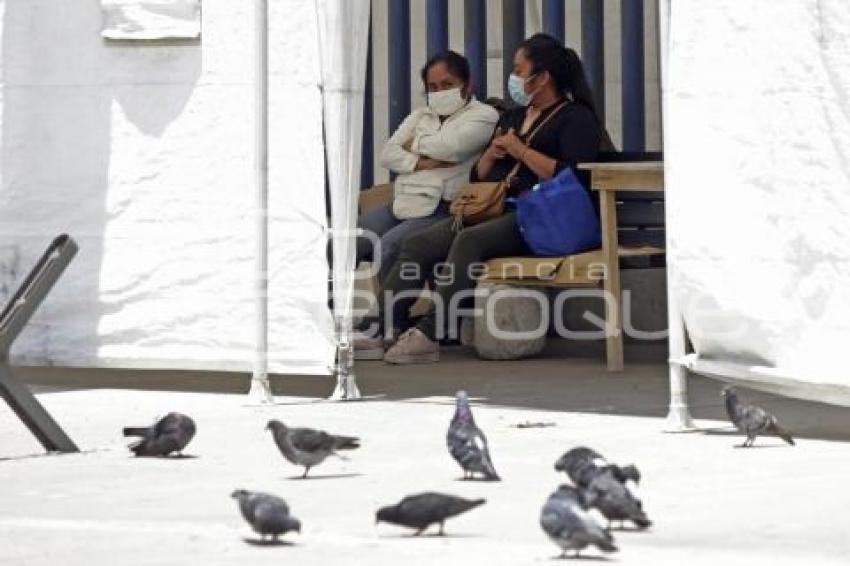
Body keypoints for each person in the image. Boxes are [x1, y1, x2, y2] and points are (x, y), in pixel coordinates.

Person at [371, 34, 611, 364]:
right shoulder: (513, 117)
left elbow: (574, 177)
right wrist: (492, 154)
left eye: (518, 69)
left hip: (541, 217)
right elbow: (480, 176)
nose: (513, 76)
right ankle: (380, 326)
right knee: (419, 244)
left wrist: (520, 150)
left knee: (470, 241)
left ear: (542, 78)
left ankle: (430, 332)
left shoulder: (575, 118)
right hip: (496, 207)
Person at [355, 50, 499, 285]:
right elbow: (388, 154)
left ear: (467, 84)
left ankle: (390, 316)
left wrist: (414, 143)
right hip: (404, 201)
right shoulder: (420, 115)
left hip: (442, 208)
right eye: (433, 87)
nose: (440, 92)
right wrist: (422, 162)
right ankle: (325, 307)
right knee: (348, 239)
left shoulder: (484, 115)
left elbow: (453, 148)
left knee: (389, 246)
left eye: (447, 84)